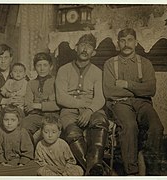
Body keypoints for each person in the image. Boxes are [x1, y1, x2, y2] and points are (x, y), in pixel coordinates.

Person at [103, 28, 164, 175]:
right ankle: (132, 172)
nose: (126, 44)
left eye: (130, 40)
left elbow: (151, 90)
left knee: (156, 126)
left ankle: (150, 167)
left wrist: (126, 84)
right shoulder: (110, 64)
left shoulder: (145, 63)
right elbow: (109, 92)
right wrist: (139, 88)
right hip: (120, 103)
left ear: (136, 42)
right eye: (123, 41)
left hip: (143, 103)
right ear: (118, 44)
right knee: (129, 126)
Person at [55, 34, 109, 176]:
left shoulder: (98, 72)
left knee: (100, 121)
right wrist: (81, 105)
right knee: (72, 132)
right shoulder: (63, 70)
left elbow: (99, 98)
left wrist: (89, 110)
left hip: (93, 109)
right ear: (76, 47)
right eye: (82, 45)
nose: (85, 49)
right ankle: (93, 170)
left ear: (94, 52)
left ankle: (93, 167)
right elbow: (61, 98)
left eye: (89, 46)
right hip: (69, 110)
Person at [0, 105, 39, 176]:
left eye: (13, 120)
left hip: (20, 163)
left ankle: (13, 173)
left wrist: (21, 164)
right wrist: (2, 163)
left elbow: (28, 151)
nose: (9, 123)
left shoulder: (23, 132)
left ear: (18, 121)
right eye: (6, 120)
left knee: (36, 167)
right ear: (2, 120)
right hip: (3, 163)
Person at [22, 52, 60, 143]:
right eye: (39, 65)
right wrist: (48, 102)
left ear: (51, 67)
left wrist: (38, 105)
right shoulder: (31, 83)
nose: (42, 68)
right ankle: (29, 152)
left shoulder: (57, 81)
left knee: (48, 131)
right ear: (35, 67)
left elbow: (58, 104)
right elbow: (28, 105)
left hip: (52, 116)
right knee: (23, 126)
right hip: (35, 116)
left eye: (45, 65)